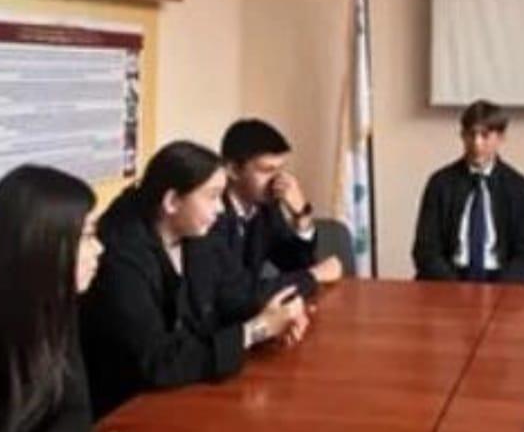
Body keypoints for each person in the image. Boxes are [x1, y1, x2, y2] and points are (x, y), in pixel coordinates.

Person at [0, 166, 144, 432]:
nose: (100, 249)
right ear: (42, 245)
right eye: (87, 236)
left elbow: (74, 410)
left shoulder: (52, 308)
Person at [82, 141, 309, 416]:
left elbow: (235, 295)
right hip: (126, 409)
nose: (221, 209)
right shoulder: (120, 255)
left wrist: (279, 316)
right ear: (171, 201)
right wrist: (255, 330)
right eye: (212, 196)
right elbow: (157, 362)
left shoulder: (198, 233)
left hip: (187, 392)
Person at [412, 100, 524, 283]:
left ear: (501, 138)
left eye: (485, 135)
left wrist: (500, 290)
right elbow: (426, 250)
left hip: (502, 280)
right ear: (462, 136)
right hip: (451, 278)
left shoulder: (519, 187)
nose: (476, 143)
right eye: (470, 135)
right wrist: (455, 288)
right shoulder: (440, 183)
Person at [216, 118, 342, 302]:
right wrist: (314, 275)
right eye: (267, 170)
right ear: (233, 170)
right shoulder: (211, 213)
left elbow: (296, 266)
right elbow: (236, 294)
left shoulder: (266, 207)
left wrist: (301, 214)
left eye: (281, 169)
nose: (278, 180)